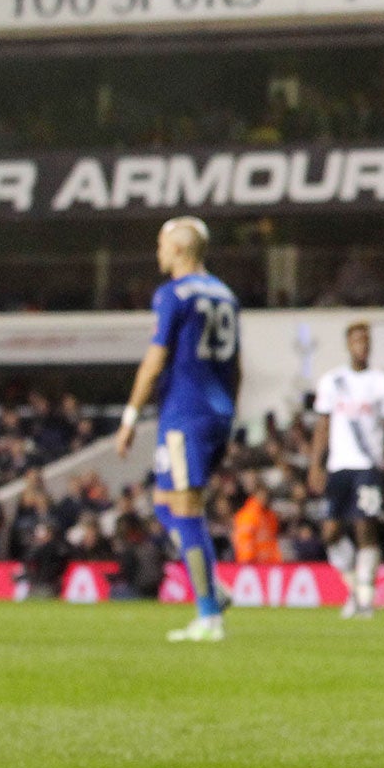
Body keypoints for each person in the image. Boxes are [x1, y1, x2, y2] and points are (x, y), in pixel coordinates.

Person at [114, 216, 241, 642]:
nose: (158, 253)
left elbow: (154, 361)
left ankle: (209, 616)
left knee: (186, 510)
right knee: (165, 501)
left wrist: (130, 416)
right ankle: (213, 587)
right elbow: (236, 367)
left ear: (181, 250)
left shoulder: (172, 294)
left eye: (162, 245)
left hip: (187, 413)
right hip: (217, 411)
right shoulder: (225, 294)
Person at [308, 320, 384, 619]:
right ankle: (353, 589)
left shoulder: (383, 383)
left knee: (365, 525)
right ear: (348, 345)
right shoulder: (332, 381)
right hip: (339, 466)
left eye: (365, 340)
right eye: (356, 341)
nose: (361, 346)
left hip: (368, 465)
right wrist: (316, 464)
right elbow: (322, 426)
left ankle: (366, 596)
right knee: (330, 532)